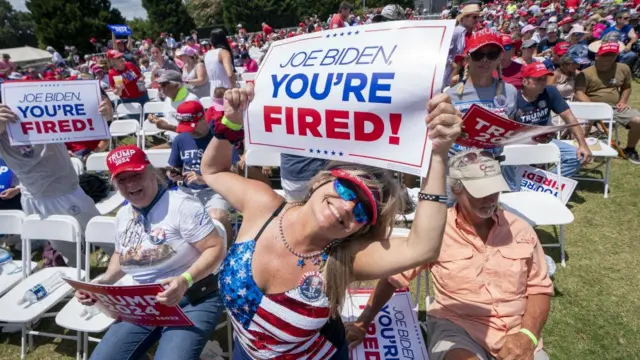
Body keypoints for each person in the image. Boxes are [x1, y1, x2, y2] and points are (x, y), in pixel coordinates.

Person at [199, 83, 462, 358]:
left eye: (363, 211)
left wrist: (438, 154)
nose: (349, 206)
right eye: (348, 188)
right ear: (324, 179)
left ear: (361, 227)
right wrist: (231, 121)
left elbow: (423, 248)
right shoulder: (262, 206)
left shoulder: (343, 258)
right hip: (245, 351)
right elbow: (213, 170)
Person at [345, 151, 553, 360]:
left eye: (495, 190)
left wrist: (527, 336)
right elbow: (393, 279)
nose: (491, 199)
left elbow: (539, 288)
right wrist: (362, 323)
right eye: (481, 192)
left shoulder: (521, 230)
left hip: (517, 331)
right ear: (456, 189)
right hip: (459, 328)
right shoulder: (437, 230)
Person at [76, 145, 227, 360]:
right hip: (143, 304)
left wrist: (185, 280)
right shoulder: (123, 215)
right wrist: (102, 283)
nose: (131, 184)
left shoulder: (181, 206)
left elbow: (215, 248)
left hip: (193, 297)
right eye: (122, 180)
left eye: (136, 175)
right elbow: (123, 255)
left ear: (151, 171)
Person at [0, 97, 113, 266]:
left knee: (103, 235)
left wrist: (106, 117)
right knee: (63, 246)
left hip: (66, 192)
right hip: (33, 198)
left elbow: (89, 124)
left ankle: (132, 268)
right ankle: (82, 280)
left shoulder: (43, 108)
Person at [167, 100, 231, 238]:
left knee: (218, 218)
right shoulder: (181, 139)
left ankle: (226, 254)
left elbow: (234, 175)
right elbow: (175, 166)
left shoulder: (220, 137)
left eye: (193, 127)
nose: (191, 132)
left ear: (203, 118)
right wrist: (173, 174)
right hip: (187, 191)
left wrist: (205, 179)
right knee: (171, 221)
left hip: (215, 191)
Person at [517, 62, 592, 178]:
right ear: (525, 81)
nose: (543, 82)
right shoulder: (514, 97)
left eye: (545, 78)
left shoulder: (550, 91)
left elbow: (570, 118)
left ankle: (544, 183)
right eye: (538, 79)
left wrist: (583, 145)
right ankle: (518, 185)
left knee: (578, 156)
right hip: (519, 143)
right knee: (507, 161)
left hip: (545, 140)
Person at [575, 42, 640, 164]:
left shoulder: (623, 68)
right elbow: (579, 93)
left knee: (638, 121)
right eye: (605, 55)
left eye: (612, 55)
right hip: (591, 107)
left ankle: (630, 149)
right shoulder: (586, 73)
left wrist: (623, 101)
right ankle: (583, 149)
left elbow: (627, 87)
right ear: (597, 56)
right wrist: (591, 106)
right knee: (581, 127)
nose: (609, 58)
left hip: (615, 108)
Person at [444, 3, 481, 88]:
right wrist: (455, 65)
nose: (477, 20)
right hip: (454, 74)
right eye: (474, 17)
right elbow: (444, 52)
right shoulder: (456, 32)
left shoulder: (473, 34)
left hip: (469, 73)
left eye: (478, 17)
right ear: (464, 18)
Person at [204, 28, 236, 95]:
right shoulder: (223, 53)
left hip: (213, 89)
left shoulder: (207, 54)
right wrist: (234, 88)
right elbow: (229, 74)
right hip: (225, 87)